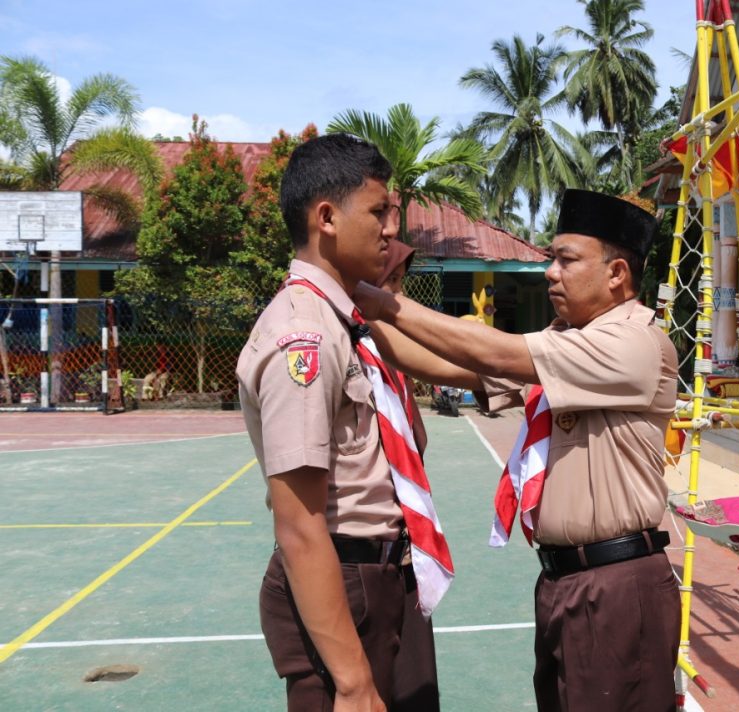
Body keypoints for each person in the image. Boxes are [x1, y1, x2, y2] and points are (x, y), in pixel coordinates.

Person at [354, 188, 682, 712]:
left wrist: (387, 302)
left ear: (617, 274)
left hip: (618, 587)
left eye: (567, 260)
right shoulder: (569, 339)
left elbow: (497, 351)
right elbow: (454, 368)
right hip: (564, 582)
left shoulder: (632, 342)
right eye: (552, 258)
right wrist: (368, 318)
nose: (551, 272)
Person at [237, 134, 453, 712]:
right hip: (345, 584)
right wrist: (354, 684)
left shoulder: (348, 320)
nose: (391, 228)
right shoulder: (302, 335)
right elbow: (301, 524)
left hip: (387, 574)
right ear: (326, 217)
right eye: (380, 212)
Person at [376, 239, 438, 711]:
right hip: (365, 562)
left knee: (416, 692)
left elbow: (415, 441)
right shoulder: (347, 346)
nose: (397, 295)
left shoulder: (395, 362)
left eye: (400, 282)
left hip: (405, 554)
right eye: (389, 281)